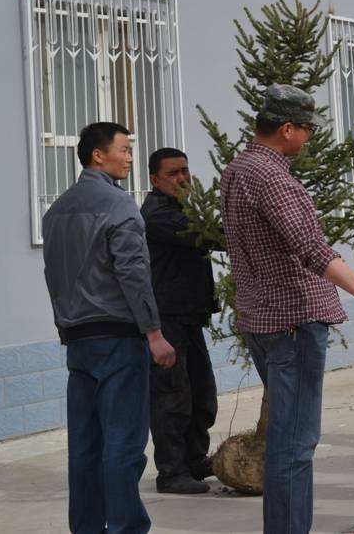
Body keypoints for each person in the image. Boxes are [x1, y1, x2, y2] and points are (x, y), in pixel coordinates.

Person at [220, 85, 354, 534]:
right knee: (295, 446)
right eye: (306, 130)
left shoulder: (238, 169)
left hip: (262, 321)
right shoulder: (273, 178)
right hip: (292, 324)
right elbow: (312, 249)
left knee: (287, 441)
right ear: (286, 129)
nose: (308, 139)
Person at [42, 121, 176, 534]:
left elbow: (54, 276)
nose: (130, 156)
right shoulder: (120, 207)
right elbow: (134, 274)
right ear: (98, 155)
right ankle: (126, 528)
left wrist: (65, 327)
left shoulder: (56, 211)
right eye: (124, 149)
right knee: (123, 444)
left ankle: (86, 528)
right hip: (118, 337)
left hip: (78, 341)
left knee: (84, 446)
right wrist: (153, 333)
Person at [142, 147, 220, 495]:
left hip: (189, 316)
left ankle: (194, 459)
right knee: (172, 396)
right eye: (173, 173)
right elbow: (207, 235)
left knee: (202, 394)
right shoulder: (157, 214)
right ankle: (171, 472)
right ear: (155, 179)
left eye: (185, 171)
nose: (182, 178)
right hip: (168, 318)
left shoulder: (183, 207)